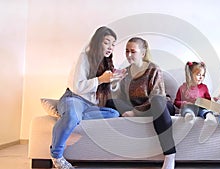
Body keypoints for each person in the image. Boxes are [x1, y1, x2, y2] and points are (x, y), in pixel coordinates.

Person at [50, 26, 121, 169]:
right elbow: (77, 87)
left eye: (113, 44)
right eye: (106, 42)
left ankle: (70, 115)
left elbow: (103, 90)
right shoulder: (84, 57)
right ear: (97, 41)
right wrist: (101, 79)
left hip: (90, 106)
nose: (110, 47)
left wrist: (116, 80)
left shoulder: (105, 62)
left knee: (113, 113)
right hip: (74, 98)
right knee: (72, 116)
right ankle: (56, 156)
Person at [106, 37, 176, 169]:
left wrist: (135, 112)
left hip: (160, 106)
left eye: (133, 51)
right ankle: (140, 114)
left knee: (157, 102)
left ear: (142, 53)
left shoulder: (153, 69)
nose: (129, 55)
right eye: (127, 51)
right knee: (110, 102)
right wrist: (114, 84)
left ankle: (170, 155)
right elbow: (122, 98)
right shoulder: (126, 72)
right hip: (138, 108)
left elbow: (157, 95)